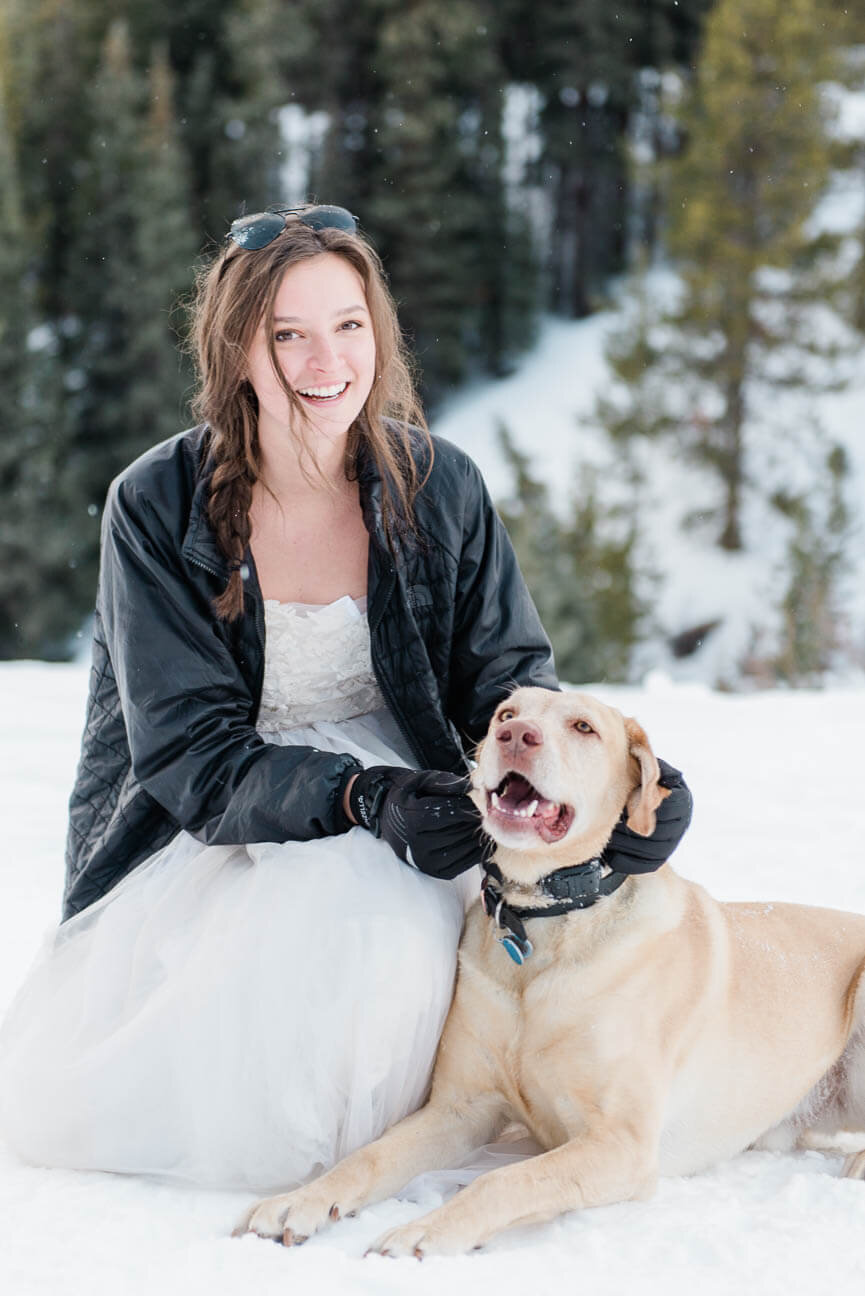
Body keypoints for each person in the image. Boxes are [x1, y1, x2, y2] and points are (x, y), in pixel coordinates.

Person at [0, 205, 692, 1192]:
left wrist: (623, 774)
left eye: (348, 325)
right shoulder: (154, 505)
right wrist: (360, 800)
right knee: (340, 941)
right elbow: (191, 753)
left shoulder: (438, 485)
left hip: (417, 787)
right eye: (288, 334)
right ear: (238, 347)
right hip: (220, 813)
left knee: (474, 947)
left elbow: (505, 683)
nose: (326, 359)